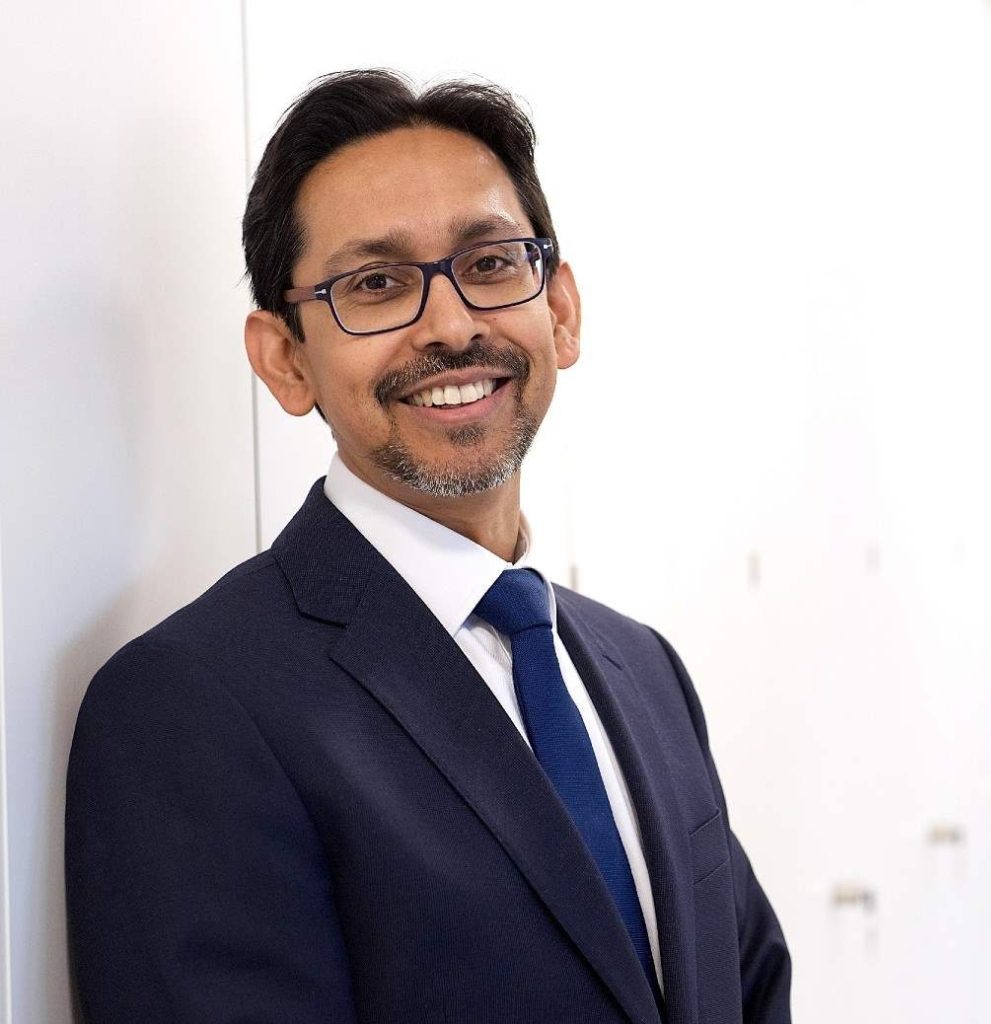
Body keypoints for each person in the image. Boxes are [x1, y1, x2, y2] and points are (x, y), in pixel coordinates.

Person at [65, 69, 791, 1024]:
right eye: (375, 285)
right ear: (284, 359)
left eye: (491, 263)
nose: (451, 325)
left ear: (560, 310)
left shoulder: (643, 670)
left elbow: (748, 990)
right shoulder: (191, 708)